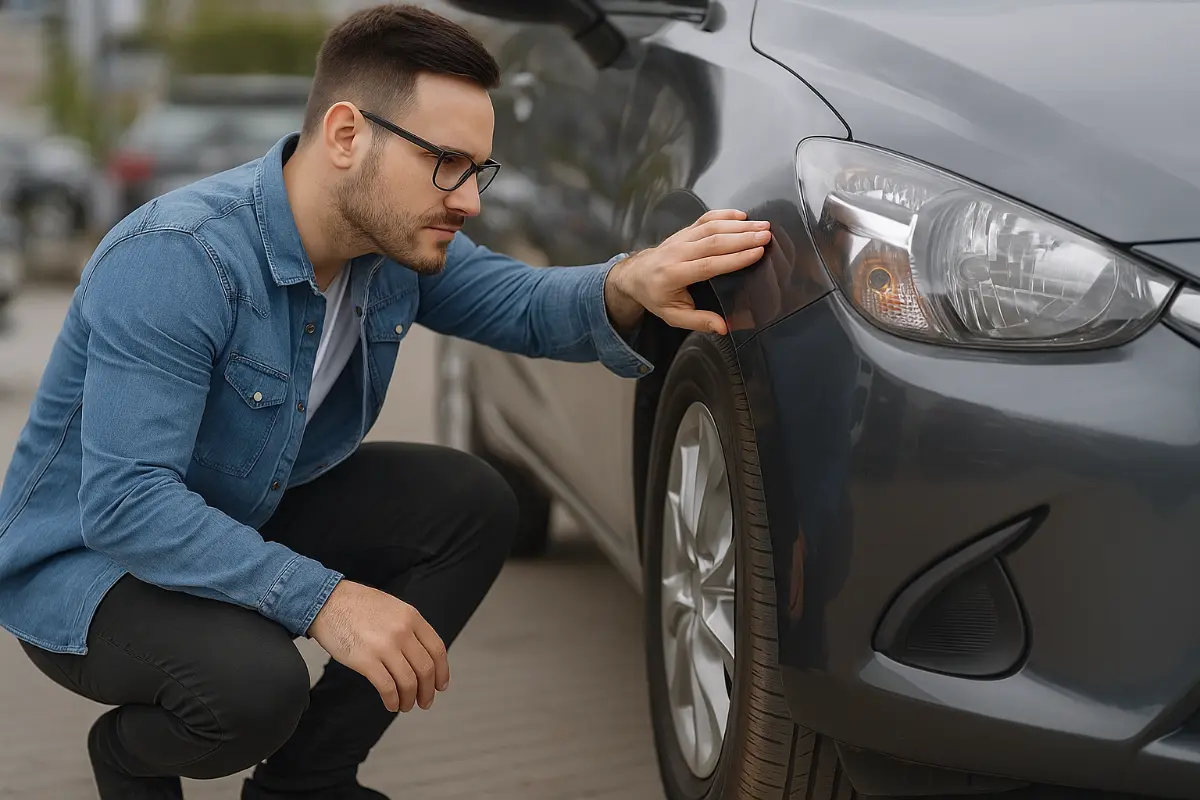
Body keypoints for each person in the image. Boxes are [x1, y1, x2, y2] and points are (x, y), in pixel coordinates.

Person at [0, 5, 771, 799]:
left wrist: (629, 279)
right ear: (345, 135)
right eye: (447, 163)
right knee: (254, 691)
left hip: (234, 511)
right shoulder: (179, 258)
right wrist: (326, 601)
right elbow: (128, 505)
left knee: (469, 504)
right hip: (91, 565)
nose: (468, 199)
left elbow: (525, 305)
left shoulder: (386, 247)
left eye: (478, 170)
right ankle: (133, 755)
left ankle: (307, 783)